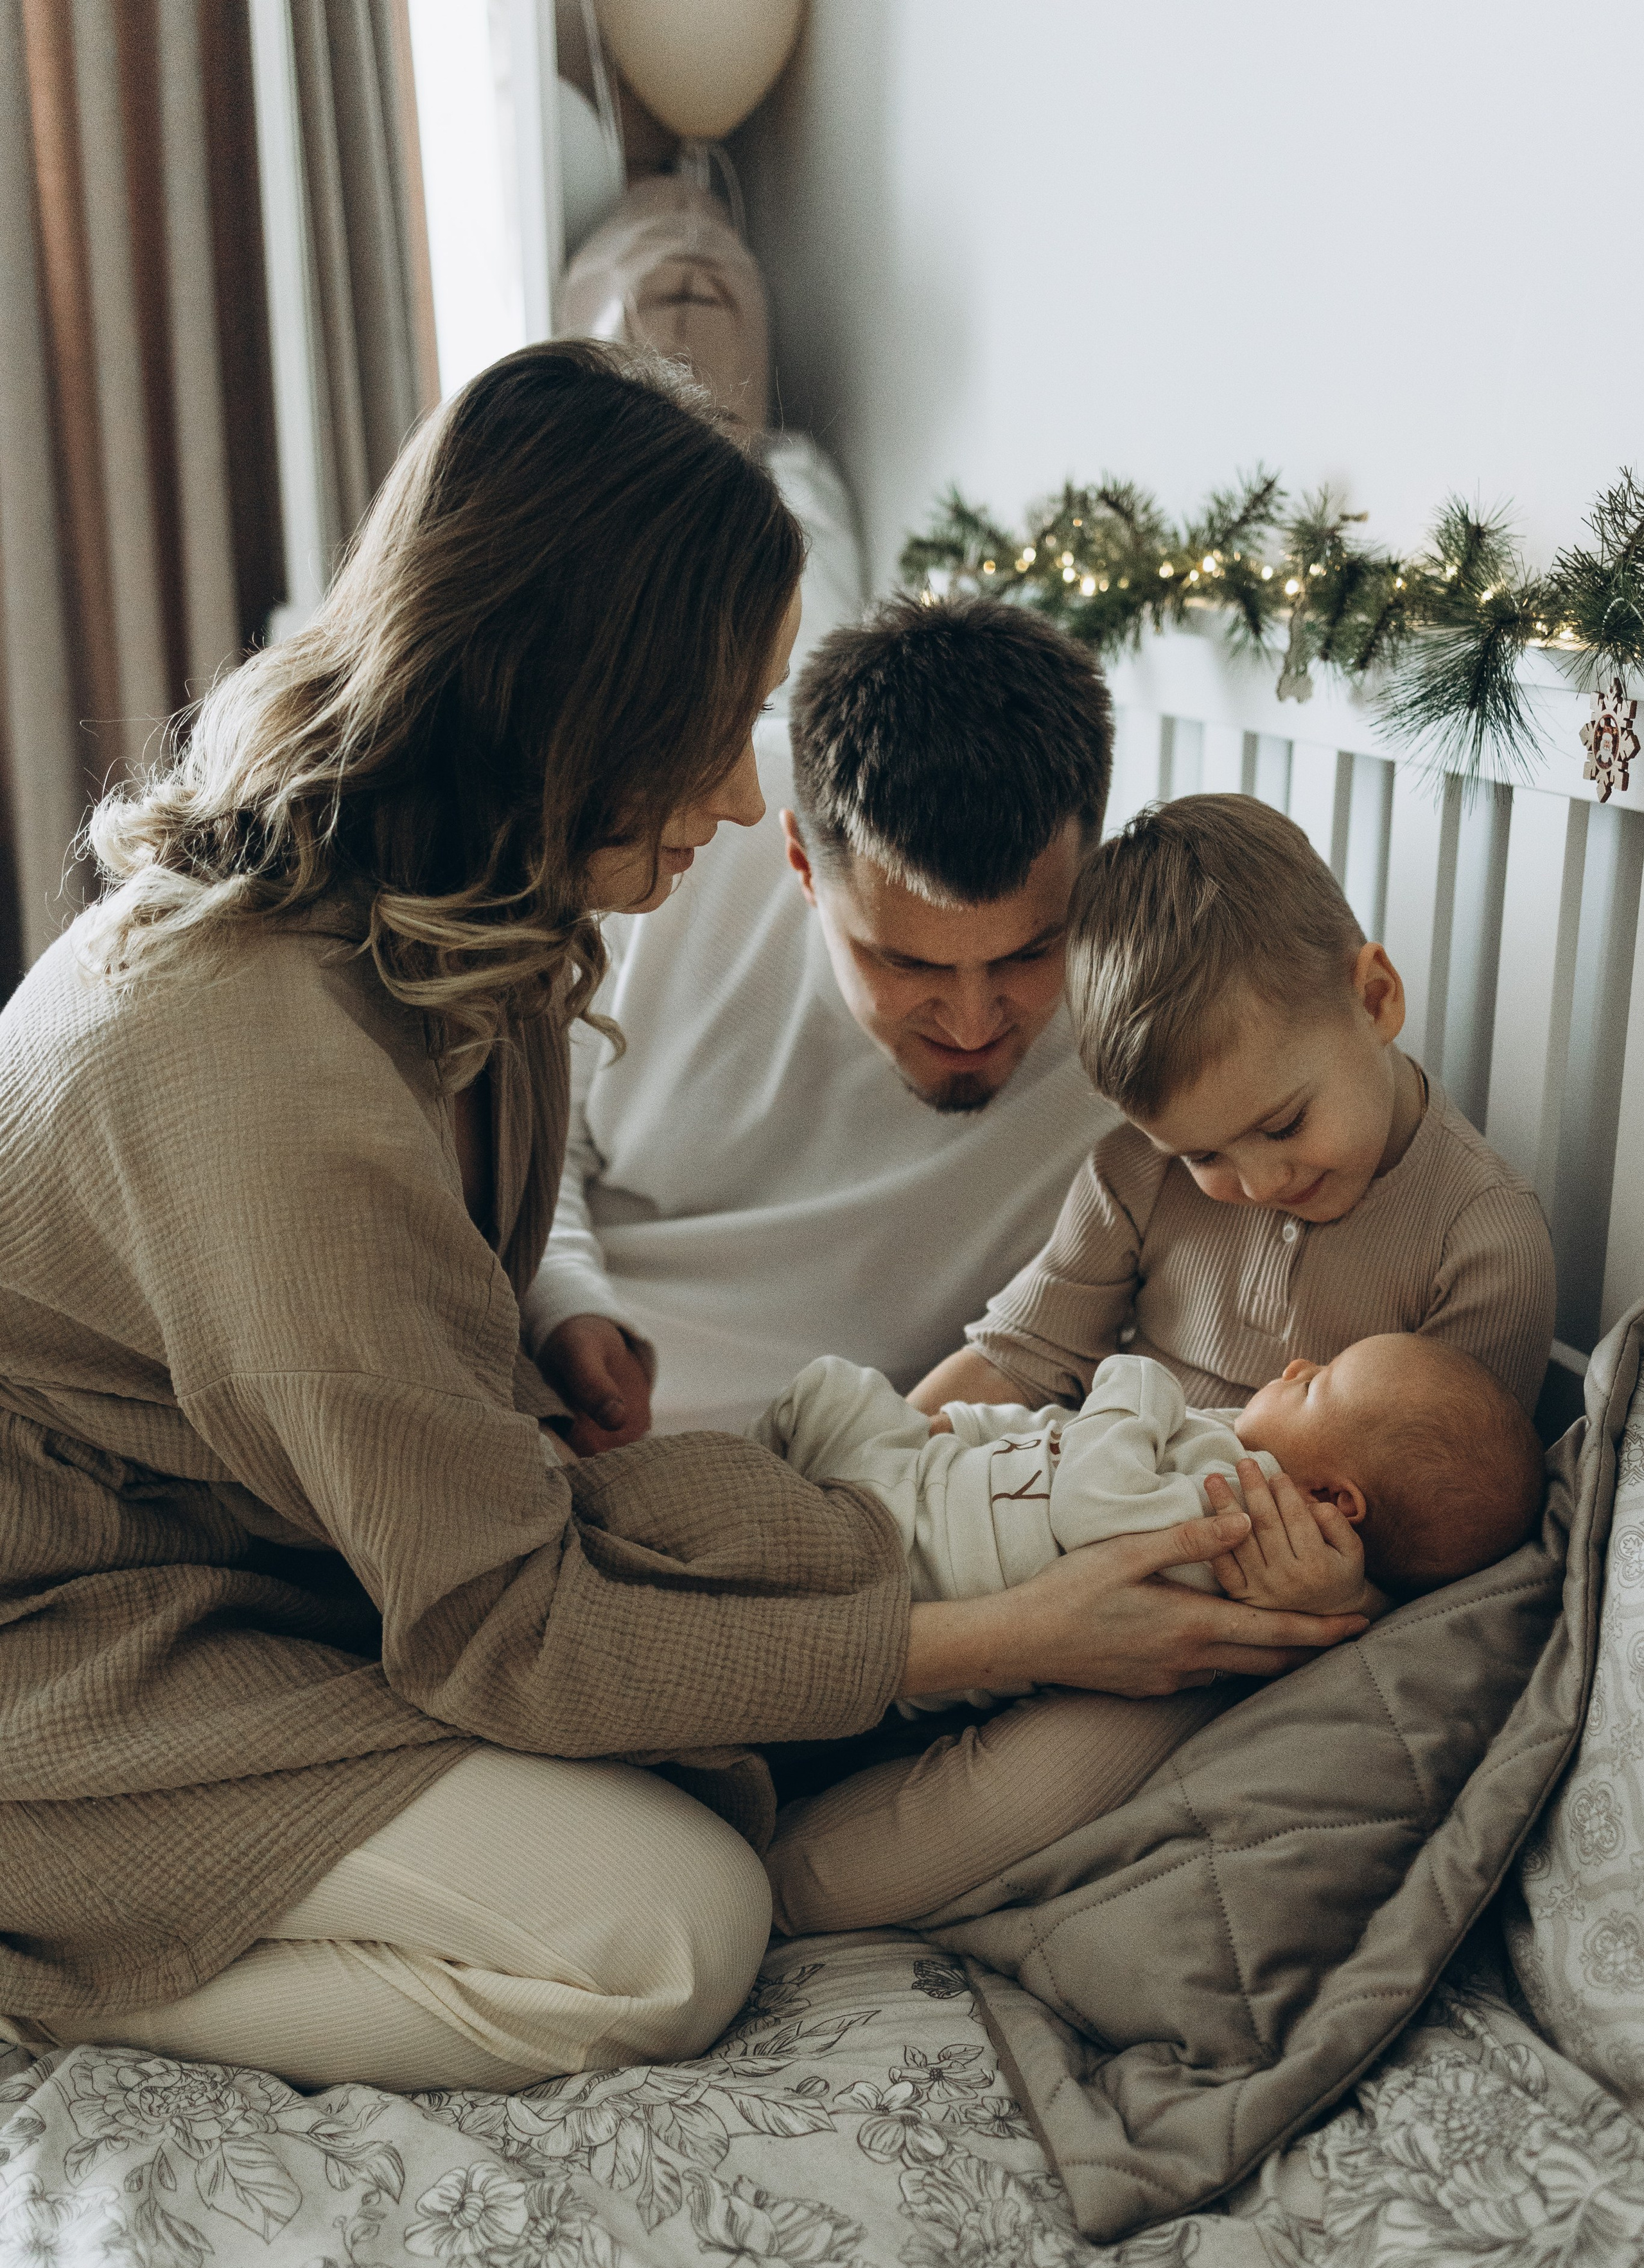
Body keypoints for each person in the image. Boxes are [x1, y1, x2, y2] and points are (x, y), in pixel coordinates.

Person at [0, 344, 1360, 2097]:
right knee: (672, 1931)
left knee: (743, 1621)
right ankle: (60, 1967)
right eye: (720, 733)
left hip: (242, 1561)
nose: (739, 799)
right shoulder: (265, 1071)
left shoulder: (437, 917)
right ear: (570, 712)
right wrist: (1026, 1636)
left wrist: (544, 1309)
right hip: (65, 1636)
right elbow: (513, 1633)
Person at [527, 596, 1122, 1451]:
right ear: (802, 863)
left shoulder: (1148, 1014)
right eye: (907, 964)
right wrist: (564, 1307)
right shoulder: (666, 852)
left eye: (1027, 957)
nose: (969, 1019)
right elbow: (532, 1144)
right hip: (549, 1373)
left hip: (823, 1476)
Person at [760, 1335, 1546, 1935]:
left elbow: (1088, 1503)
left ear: (1333, 1498)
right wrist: (963, 1423)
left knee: (823, 1390)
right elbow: (1051, 1437)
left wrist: (1137, 1379)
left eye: (1320, 1383)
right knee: (832, 1397)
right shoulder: (1227, 1451)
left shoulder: (1225, 1519)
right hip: (923, 1488)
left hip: (892, 1539)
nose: (1299, 1362)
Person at [914, 794, 1556, 1423]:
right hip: (1102, 1483)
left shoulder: (1483, 1245)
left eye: (1283, 1125)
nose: (1261, 1182)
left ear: (1374, 999)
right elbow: (1019, 1357)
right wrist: (879, 1459)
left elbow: (1441, 1501)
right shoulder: (1137, 1171)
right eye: (1202, 1155)